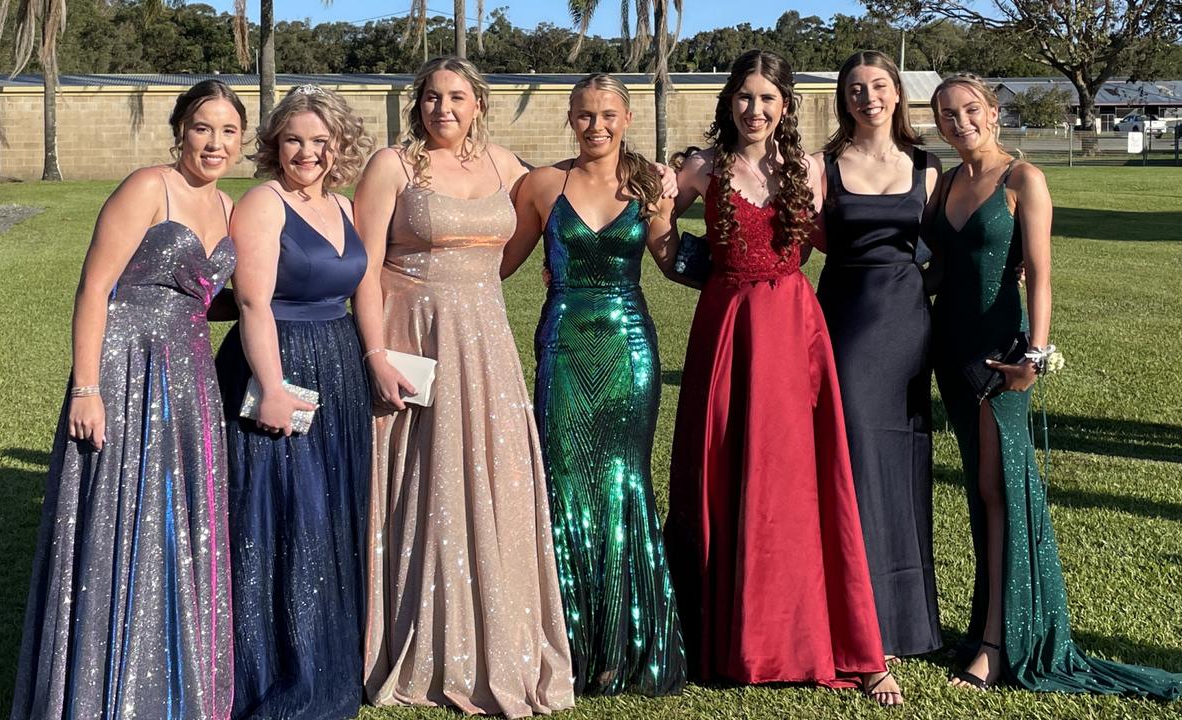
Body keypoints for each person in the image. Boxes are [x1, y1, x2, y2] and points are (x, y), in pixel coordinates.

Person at [928, 74, 1182, 699]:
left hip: (999, 355)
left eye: (969, 110)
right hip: (947, 351)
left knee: (1000, 489)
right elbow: (936, 270)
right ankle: (992, 625)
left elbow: (1039, 276)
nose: (960, 122)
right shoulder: (947, 182)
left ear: (991, 111)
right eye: (946, 116)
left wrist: (1035, 356)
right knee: (980, 491)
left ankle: (997, 643)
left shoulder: (1023, 181)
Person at [662, 49, 902, 706]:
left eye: (768, 98)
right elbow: (657, 229)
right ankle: (719, 628)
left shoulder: (808, 170)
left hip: (796, 335)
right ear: (728, 102)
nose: (755, 109)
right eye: (745, 96)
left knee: (797, 481)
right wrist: (684, 261)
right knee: (726, 468)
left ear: (786, 106)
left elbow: (855, 234)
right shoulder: (702, 168)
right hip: (728, 331)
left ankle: (815, 632)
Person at [10, 80, 244, 720]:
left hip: (190, 374)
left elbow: (212, 296)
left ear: (243, 141)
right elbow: (94, 288)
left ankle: (171, 677)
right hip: (124, 366)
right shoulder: (149, 186)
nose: (215, 142)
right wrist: (86, 387)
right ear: (181, 130)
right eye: (203, 127)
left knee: (178, 518)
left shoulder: (229, 208)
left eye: (228, 131)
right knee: (120, 513)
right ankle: (101, 687)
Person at [353, 56, 575, 717]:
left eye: (455, 96)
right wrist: (374, 354)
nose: (441, 108)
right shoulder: (393, 166)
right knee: (424, 485)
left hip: (485, 343)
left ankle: (496, 635)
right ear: (416, 103)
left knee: (495, 480)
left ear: (478, 102)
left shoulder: (507, 166)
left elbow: (539, 226)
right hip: (411, 339)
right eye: (430, 96)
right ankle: (418, 638)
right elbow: (362, 269)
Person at [501, 72, 687, 697]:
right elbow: (498, 263)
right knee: (564, 479)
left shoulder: (651, 183)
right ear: (570, 118)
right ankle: (569, 641)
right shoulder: (542, 185)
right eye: (584, 115)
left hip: (630, 347)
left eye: (608, 115)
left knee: (621, 481)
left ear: (626, 118)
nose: (596, 126)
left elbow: (669, 257)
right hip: (563, 345)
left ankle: (626, 643)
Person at [213, 85, 374, 719]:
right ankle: (278, 669)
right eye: (293, 140)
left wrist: (374, 362)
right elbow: (252, 302)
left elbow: (363, 291)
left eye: (318, 141)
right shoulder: (263, 202)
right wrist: (274, 387)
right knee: (281, 517)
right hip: (275, 364)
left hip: (336, 365)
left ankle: (333, 656)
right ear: (275, 145)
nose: (306, 152)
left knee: (331, 512)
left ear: (338, 146)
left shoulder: (345, 205)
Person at [812, 50, 942, 662]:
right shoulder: (823, 167)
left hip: (909, 326)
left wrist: (1010, 266)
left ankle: (907, 624)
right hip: (843, 320)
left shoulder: (928, 167)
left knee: (904, 458)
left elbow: (949, 248)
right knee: (854, 454)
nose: (869, 97)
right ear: (844, 99)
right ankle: (855, 624)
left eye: (880, 86)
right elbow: (795, 240)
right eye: (856, 88)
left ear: (898, 94)